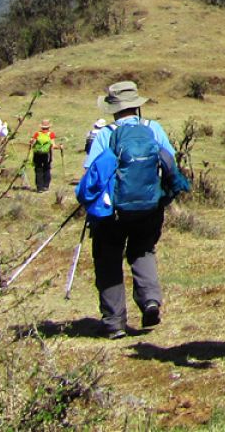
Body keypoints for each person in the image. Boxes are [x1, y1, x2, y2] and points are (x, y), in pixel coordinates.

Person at [77, 81, 186, 339]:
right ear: (137, 106)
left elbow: (92, 173)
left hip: (112, 213)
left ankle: (114, 322)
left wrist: (86, 202)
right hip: (149, 207)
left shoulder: (106, 134)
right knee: (143, 251)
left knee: (108, 259)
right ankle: (150, 301)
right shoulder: (153, 129)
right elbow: (170, 165)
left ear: (113, 109)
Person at [29, 120, 61, 192]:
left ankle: (39, 187)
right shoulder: (51, 134)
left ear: (41, 127)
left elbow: (32, 144)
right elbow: (53, 145)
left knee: (38, 169)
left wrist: (31, 141)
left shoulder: (37, 134)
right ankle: (45, 186)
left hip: (37, 154)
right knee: (46, 169)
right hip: (47, 154)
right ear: (49, 127)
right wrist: (59, 147)